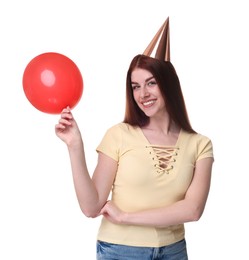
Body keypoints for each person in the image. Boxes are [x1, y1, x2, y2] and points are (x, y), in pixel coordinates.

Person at [55, 17, 214, 260]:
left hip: (174, 251)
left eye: (151, 83)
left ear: (168, 85)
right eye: (135, 86)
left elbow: (193, 210)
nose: (143, 94)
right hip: (120, 250)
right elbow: (91, 207)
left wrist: (126, 217)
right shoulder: (118, 135)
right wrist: (75, 146)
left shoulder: (200, 144)